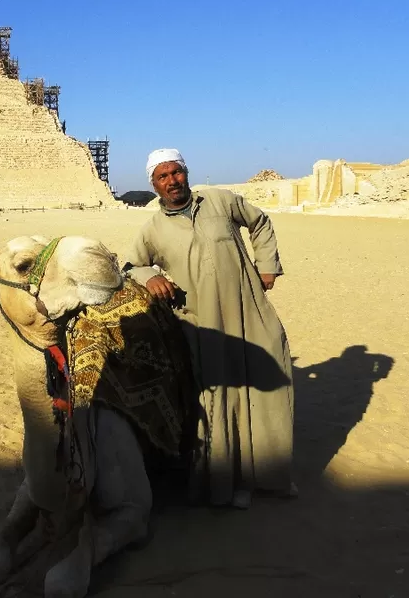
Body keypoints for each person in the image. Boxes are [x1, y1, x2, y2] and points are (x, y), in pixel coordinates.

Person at [123, 148, 295, 509]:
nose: (172, 181)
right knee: (222, 397)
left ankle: (271, 475)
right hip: (204, 321)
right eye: (163, 177)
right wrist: (150, 275)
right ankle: (231, 482)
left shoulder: (219, 201)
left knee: (270, 382)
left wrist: (267, 265)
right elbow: (132, 265)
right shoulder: (152, 229)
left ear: (186, 173)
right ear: (154, 184)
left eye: (176, 172)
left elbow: (260, 222)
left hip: (249, 309)